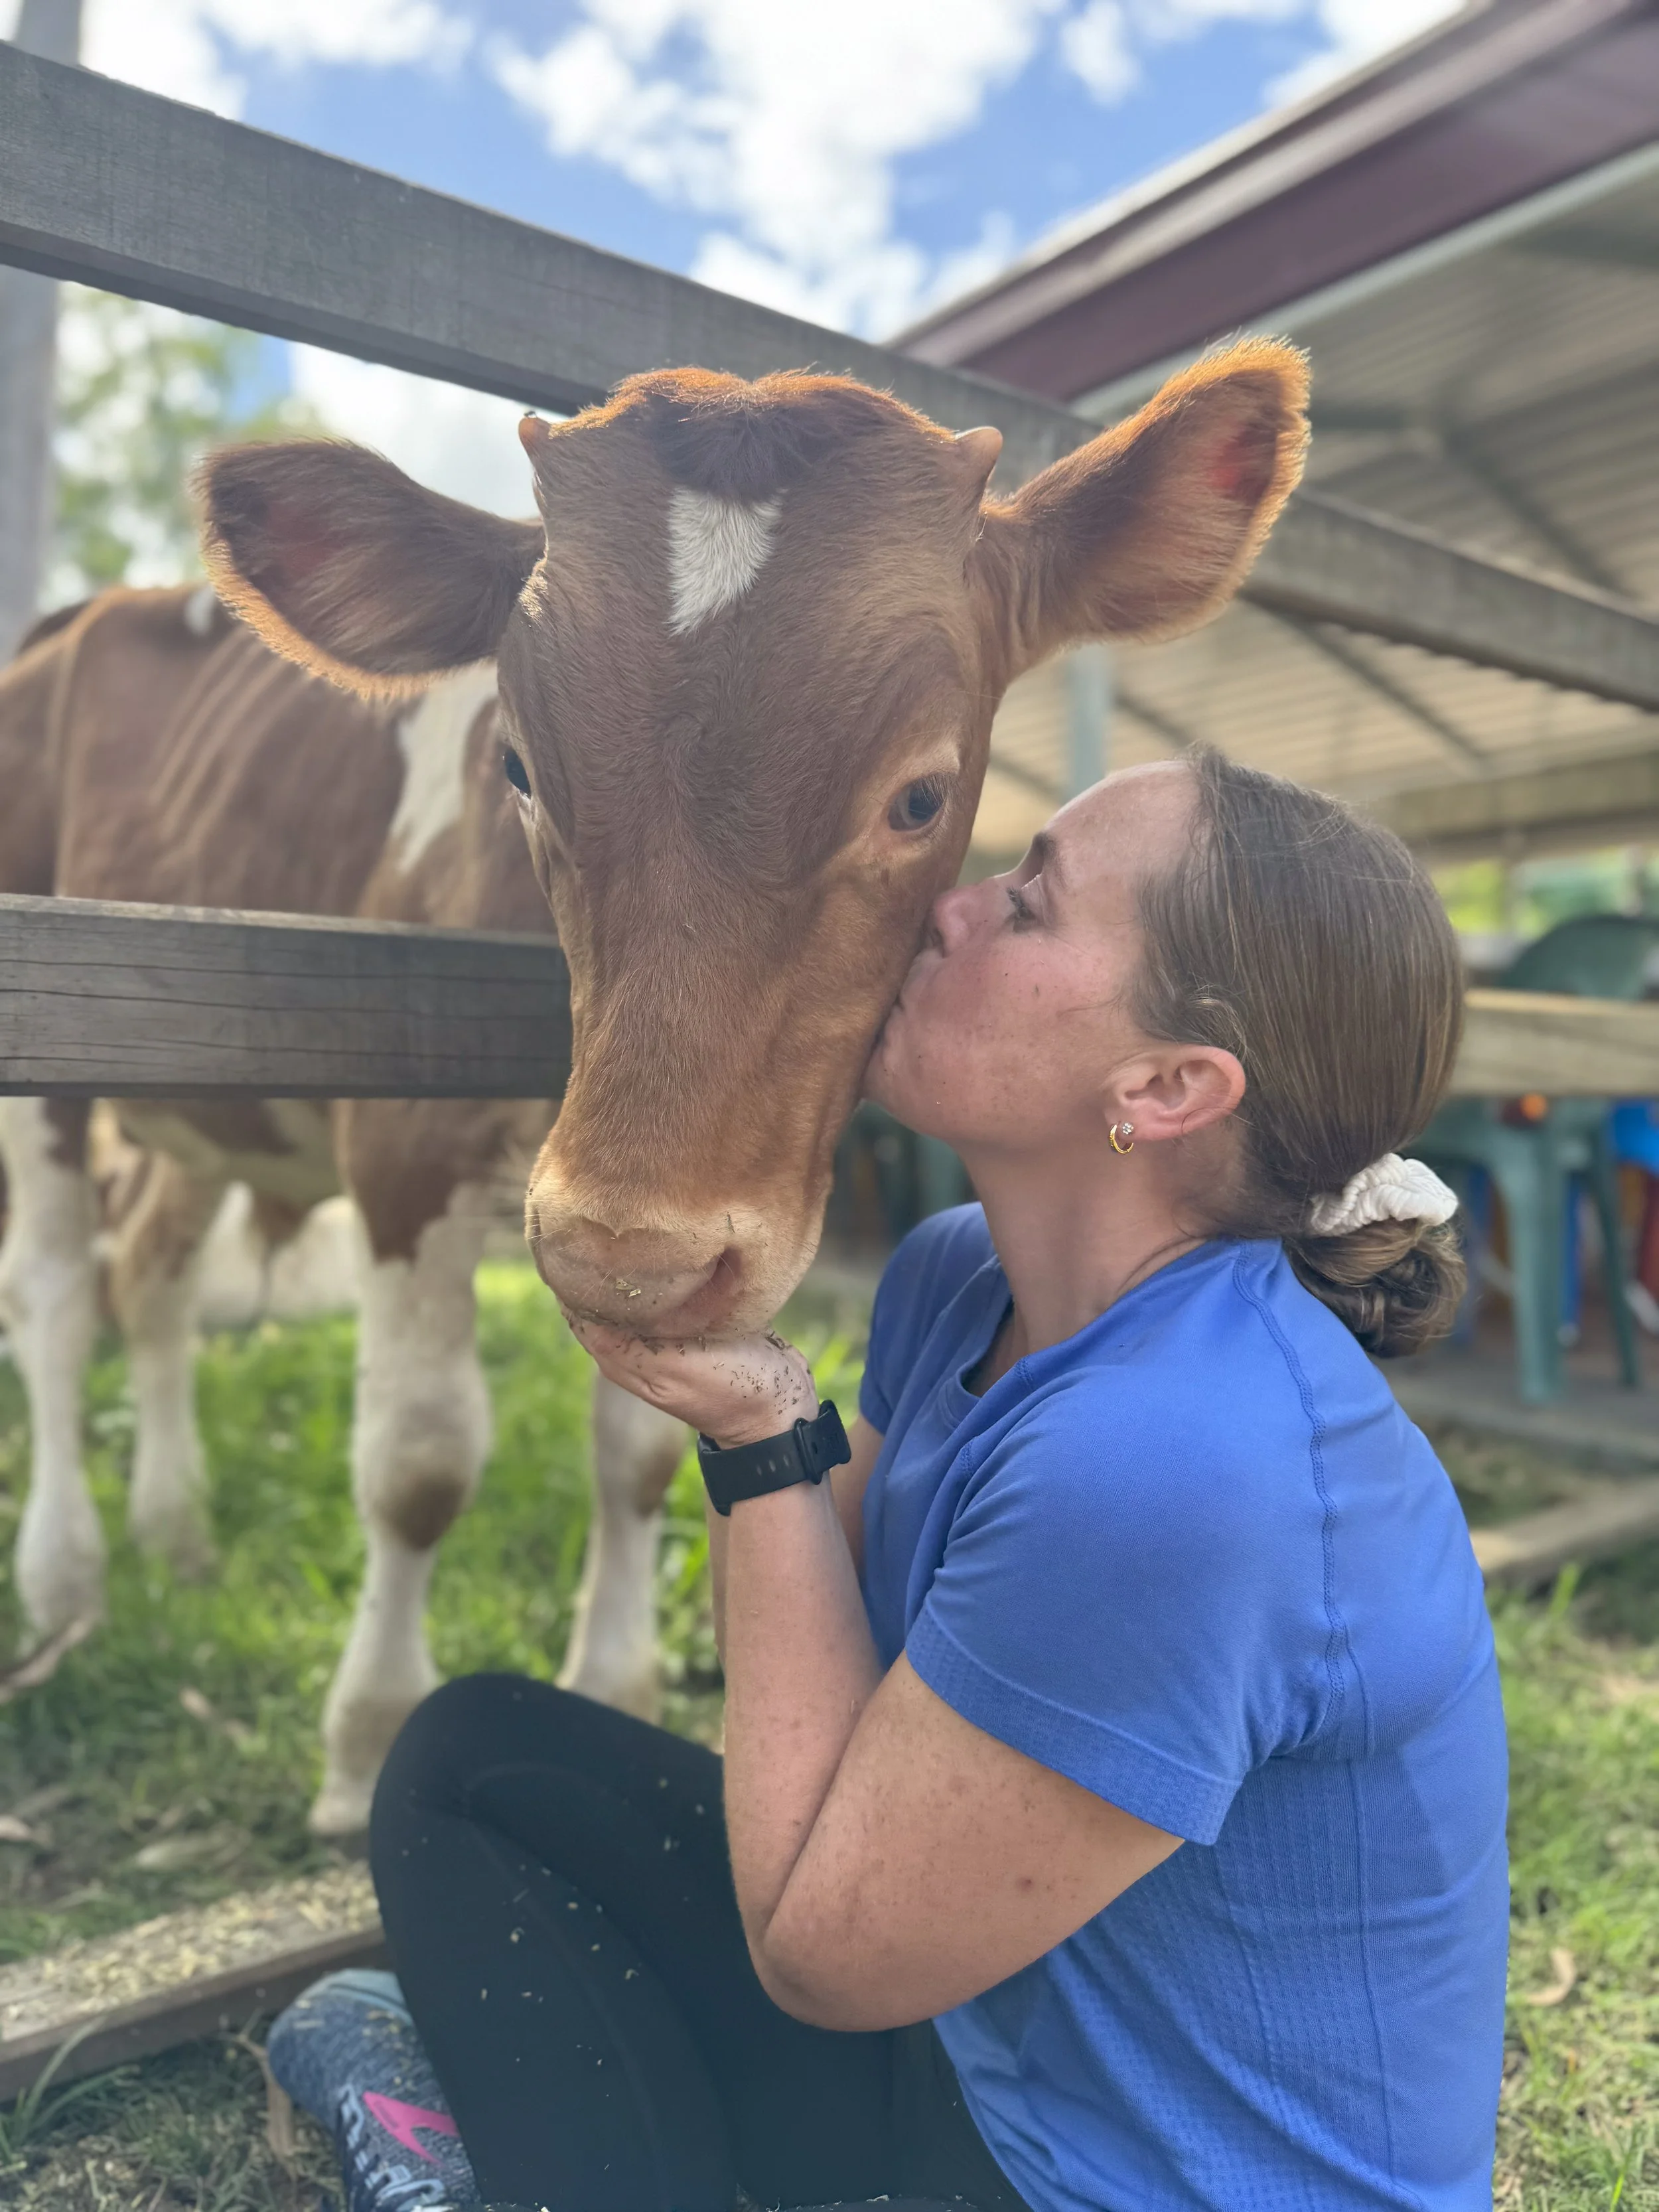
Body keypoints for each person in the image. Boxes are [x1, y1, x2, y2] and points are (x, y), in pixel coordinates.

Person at [307, 749, 1508, 2212]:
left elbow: (822, 1952)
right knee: (472, 1762)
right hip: (994, 2067)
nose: (946, 905)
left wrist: (760, 1440)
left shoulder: (1179, 1459)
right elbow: (850, 1649)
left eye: (1028, 903)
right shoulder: (963, 1279)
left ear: (1168, 1087)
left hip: (1131, 2186)